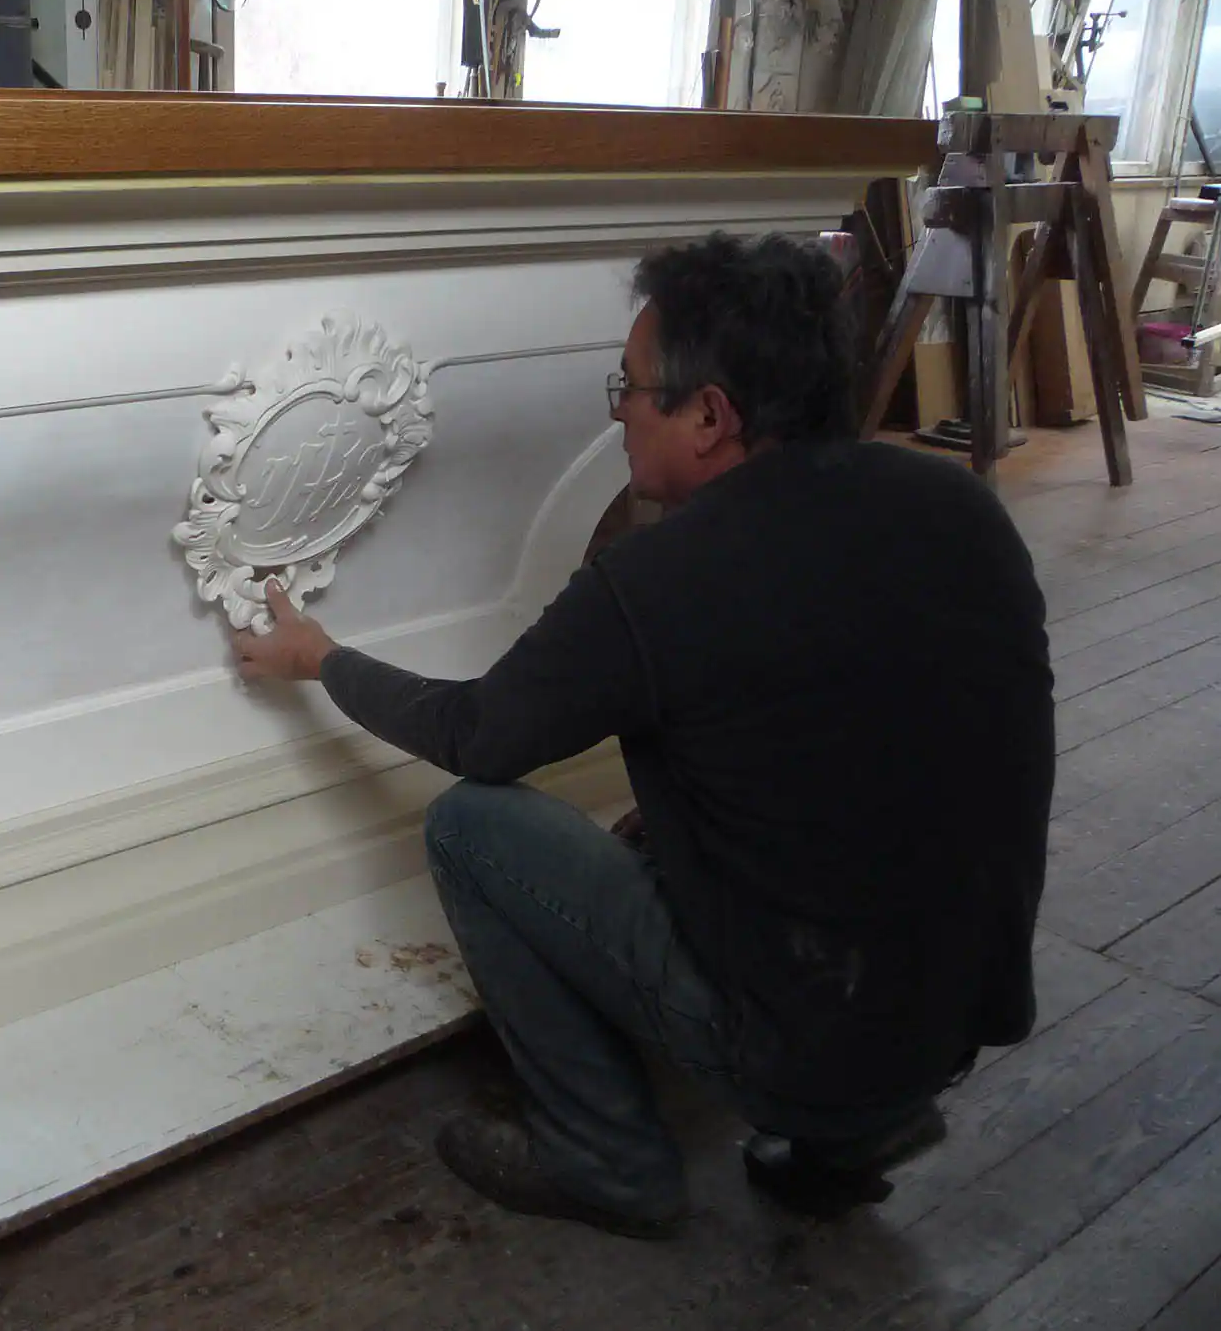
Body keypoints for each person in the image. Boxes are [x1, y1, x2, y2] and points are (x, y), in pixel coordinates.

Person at [230, 231, 1055, 1239]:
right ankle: (856, 1131)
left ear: (709, 416)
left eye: (629, 387)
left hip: (804, 1046)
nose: (617, 411)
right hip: (955, 1021)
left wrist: (320, 659)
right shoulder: (959, 505)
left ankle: (607, 1158)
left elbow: (477, 736)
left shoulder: (661, 581)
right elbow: (852, 749)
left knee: (472, 828)